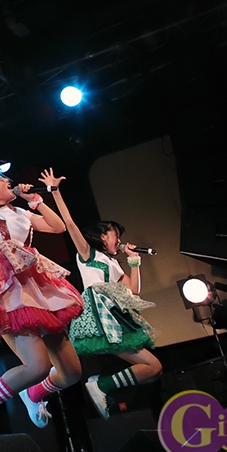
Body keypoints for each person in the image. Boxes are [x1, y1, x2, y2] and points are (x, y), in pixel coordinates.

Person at [0, 162, 84, 436]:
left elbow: (57, 226)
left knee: (72, 373)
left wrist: (35, 200)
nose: (7, 180)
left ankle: (33, 394)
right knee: (38, 366)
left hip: (37, 289)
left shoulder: (22, 213)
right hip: (5, 292)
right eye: (0, 178)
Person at [43, 170, 162, 420]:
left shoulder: (114, 264)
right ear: (102, 236)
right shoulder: (89, 254)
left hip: (114, 317)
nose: (119, 239)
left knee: (154, 368)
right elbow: (71, 225)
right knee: (69, 361)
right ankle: (43, 389)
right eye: (115, 234)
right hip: (97, 313)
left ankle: (101, 386)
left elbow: (134, 290)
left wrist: (135, 261)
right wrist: (55, 192)